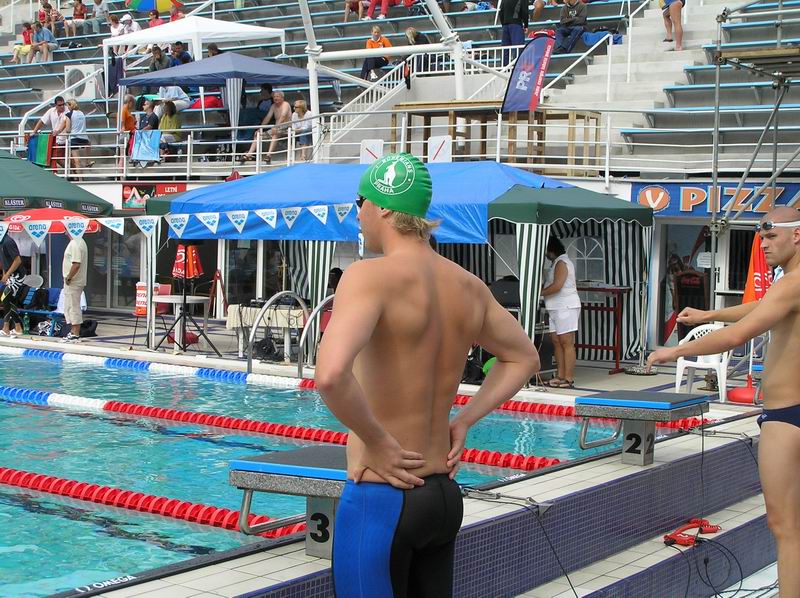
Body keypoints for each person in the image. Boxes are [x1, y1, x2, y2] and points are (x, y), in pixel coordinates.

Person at [315, 153, 539, 597]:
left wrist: (378, 442)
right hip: (442, 498)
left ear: (382, 206)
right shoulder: (468, 285)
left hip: (383, 496)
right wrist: (465, 420)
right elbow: (524, 358)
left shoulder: (367, 277)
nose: (356, 215)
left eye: (359, 202)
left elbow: (330, 376)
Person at [647, 206, 800, 598]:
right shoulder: (788, 285)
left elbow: (737, 337)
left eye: (770, 237)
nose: (763, 245)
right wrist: (708, 314)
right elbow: (763, 307)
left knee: (785, 528)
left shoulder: (793, 281)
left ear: (797, 236)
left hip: (788, 416)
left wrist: (674, 351)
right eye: (761, 238)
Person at [541, 236, 581, 388]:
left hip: (566, 306)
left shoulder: (562, 262)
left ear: (551, 250)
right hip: (554, 307)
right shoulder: (556, 263)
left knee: (566, 342)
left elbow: (557, 286)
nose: (545, 255)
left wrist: (539, 293)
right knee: (556, 342)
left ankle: (568, 379)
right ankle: (560, 375)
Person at [240, 90, 292, 164]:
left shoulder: (286, 104)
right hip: (276, 128)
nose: (275, 98)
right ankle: (248, 155)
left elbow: (283, 116)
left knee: (275, 134)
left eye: (277, 96)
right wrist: (260, 128)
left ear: (282, 97)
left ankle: (268, 155)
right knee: (258, 135)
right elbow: (267, 117)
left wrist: (276, 127)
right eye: (274, 97)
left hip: (286, 128)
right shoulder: (273, 106)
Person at [61, 230, 88, 343]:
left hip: (73, 281)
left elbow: (76, 264)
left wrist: (69, 277)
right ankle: (73, 332)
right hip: (75, 281)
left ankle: (75, 333)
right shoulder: (80, 242)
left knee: (73, 306)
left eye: (67, 230)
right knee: (70, 306)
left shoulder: (75, 243)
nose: (65, 233)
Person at [26, 94, 66, 168]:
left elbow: (65, 123)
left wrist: (58, 131)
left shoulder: (67, 111)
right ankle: (71, 171)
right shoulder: (51, 111)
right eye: (60, 105)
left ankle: (71, 171)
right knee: (56, 157)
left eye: (63, 104)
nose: (62, 106)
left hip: (66, 138)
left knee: (58, 157)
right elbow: (42, 121)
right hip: (57, 139)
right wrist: (34, 131)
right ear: (56, 105)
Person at [0, 233, 27, 338]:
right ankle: (17, 327)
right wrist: (4, 274)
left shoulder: (8, 242)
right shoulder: (2, 242)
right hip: (10, 276)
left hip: (17, 276)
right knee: (9, 300)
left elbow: (18, 260)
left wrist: (7, 274)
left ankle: (6, 328)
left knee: (6, 298)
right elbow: (5, 261)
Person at [55, 99, 91, 174]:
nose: (66, 107)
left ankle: (79, 177)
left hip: (74, 138)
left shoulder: (69, 114)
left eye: (67, 105)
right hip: (84, 138)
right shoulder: (81, 113)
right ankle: (87, 161)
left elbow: (68, 129)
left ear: (70, 105)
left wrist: (60, 131)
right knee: (88, 145)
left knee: (77, 161)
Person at [118, 93, 136, 167]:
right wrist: (123, 127)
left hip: (129, 133)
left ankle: (122, 171)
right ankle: (121, 172)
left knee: (123, 155)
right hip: (125, 134)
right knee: (122, 155)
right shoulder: (124, 109)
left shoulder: (126, 110)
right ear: (130, 102)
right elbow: (122, 119)